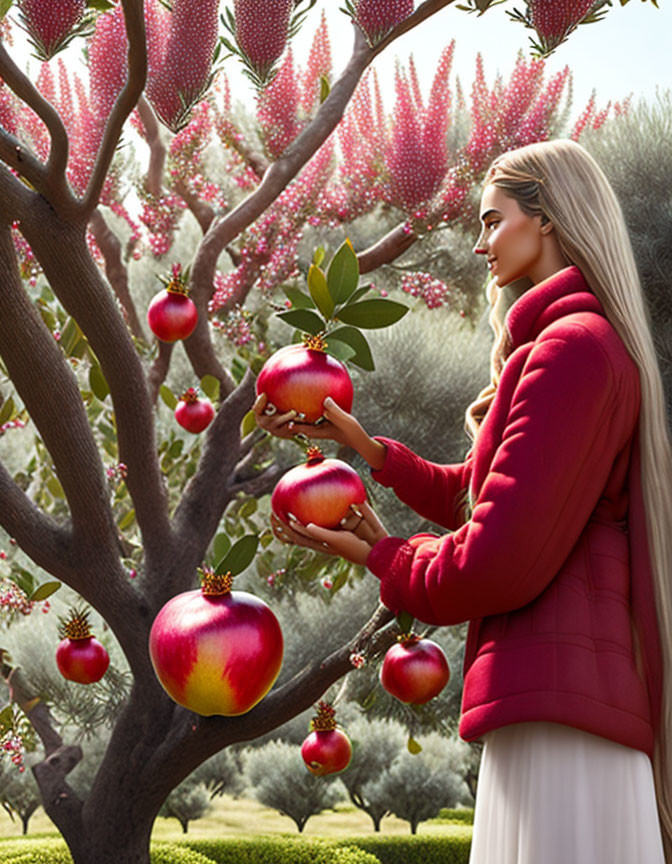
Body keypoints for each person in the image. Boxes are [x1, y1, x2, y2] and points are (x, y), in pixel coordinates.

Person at [254, 139, 672, 864]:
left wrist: (378, 553)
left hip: (558, 710)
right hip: (567, 701)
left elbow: (494, 562)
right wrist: (367, 449)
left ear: (546, 220)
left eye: (491, 221)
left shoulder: (569, 351)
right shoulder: (573, 344)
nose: (479, 244)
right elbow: (484, 493)